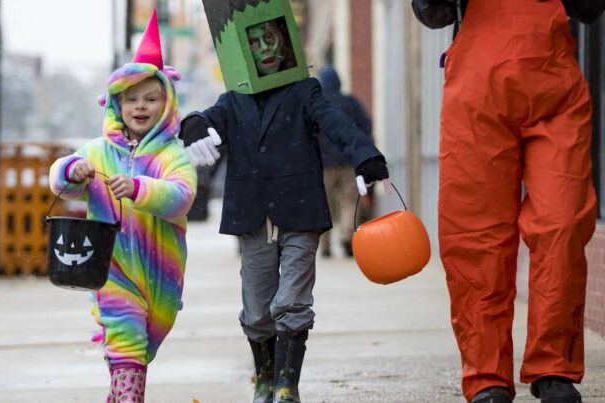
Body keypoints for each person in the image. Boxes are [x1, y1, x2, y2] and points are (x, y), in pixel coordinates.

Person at [182, 6, 389, 402]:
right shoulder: (234, 98)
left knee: (291, 302)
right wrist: (192, 122)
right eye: (254, 42)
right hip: (253, 215)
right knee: (258, 311)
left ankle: (286, 385)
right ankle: (264, 378)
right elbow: (207, 117)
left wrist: (365, 155)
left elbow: (337, 123)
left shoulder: (304, 90)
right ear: (244, 49)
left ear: (285, 41)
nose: (264, 48)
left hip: (299, 211)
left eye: (270, 38)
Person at [412, 1, 605, 402]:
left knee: (563, 223)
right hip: (477, 98)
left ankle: (554, 367)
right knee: (476, 236)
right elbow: (431, 12)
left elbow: (591, 8)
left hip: (556, 95)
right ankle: (486, 375)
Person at [48, 10, 196, 402]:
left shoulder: (172, 155)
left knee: (142, 345)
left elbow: (181, 195)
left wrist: (138, 188)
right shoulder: (99, 151)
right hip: (110, 268)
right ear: (116, 105)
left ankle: (119, 395)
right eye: (131, 99)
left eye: (151, 98)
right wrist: (71, 170)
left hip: (161, 276)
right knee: (126, 339)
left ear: (167, 104)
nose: (141, 106)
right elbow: (58, 180)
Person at [315, 64, 374, 258]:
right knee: (349, 201)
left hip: (323, 165)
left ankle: (325, 244)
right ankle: (347, 236)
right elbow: (366, 127)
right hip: (348, 163)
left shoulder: (317, 105)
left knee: (325, 206)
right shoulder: (350, 103)